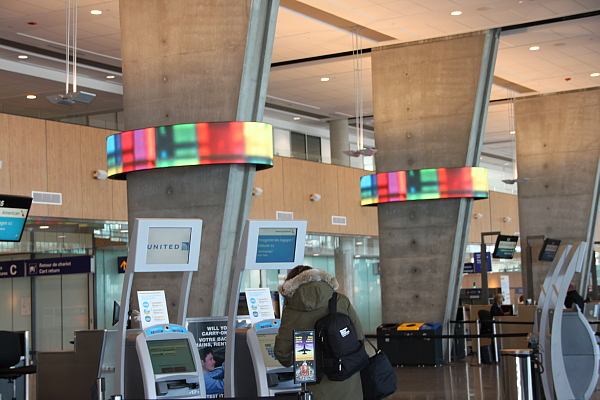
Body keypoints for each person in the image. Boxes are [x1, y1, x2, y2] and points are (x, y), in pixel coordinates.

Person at [274, 265, 364, 400]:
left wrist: (296, 360)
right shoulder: (339, 300)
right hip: (346, 375)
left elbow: (282, 353)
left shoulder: (291, 309)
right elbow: (359, 335)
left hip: (316, 382)